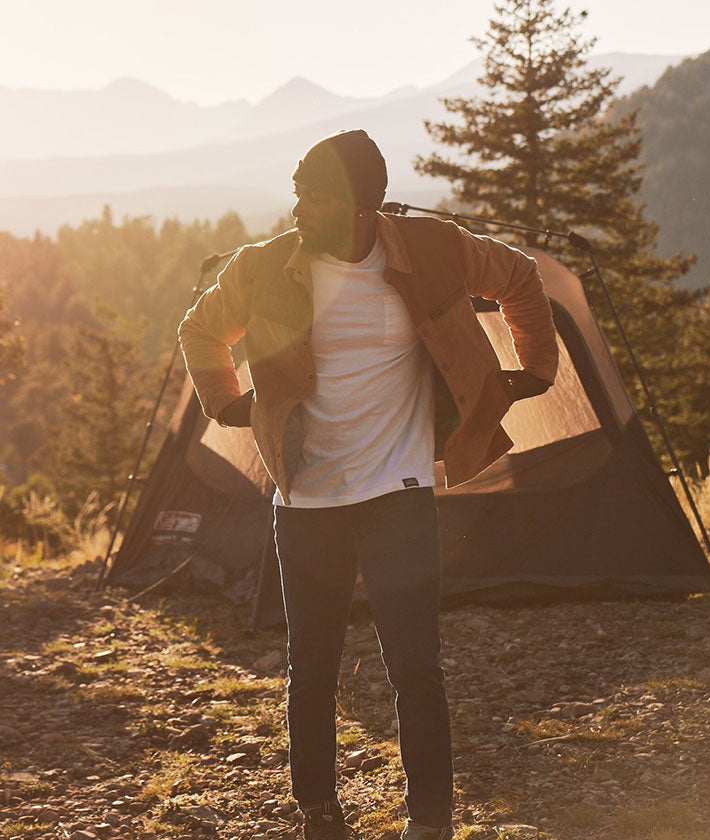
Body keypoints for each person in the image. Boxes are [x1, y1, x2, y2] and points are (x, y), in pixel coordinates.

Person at [178, 129, 559, 840]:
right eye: (295, 192)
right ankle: (320, 813)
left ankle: (431, 821)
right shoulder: (263, 268)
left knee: (416, 665)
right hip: (306, 500)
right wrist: (230, 403)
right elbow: (200, 329)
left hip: (399, 490)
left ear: (359, 205)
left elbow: (520, 276)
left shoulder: (434, 249)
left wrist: (533, 371)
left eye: (314, 196)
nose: (298, 209)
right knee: (313, 665)